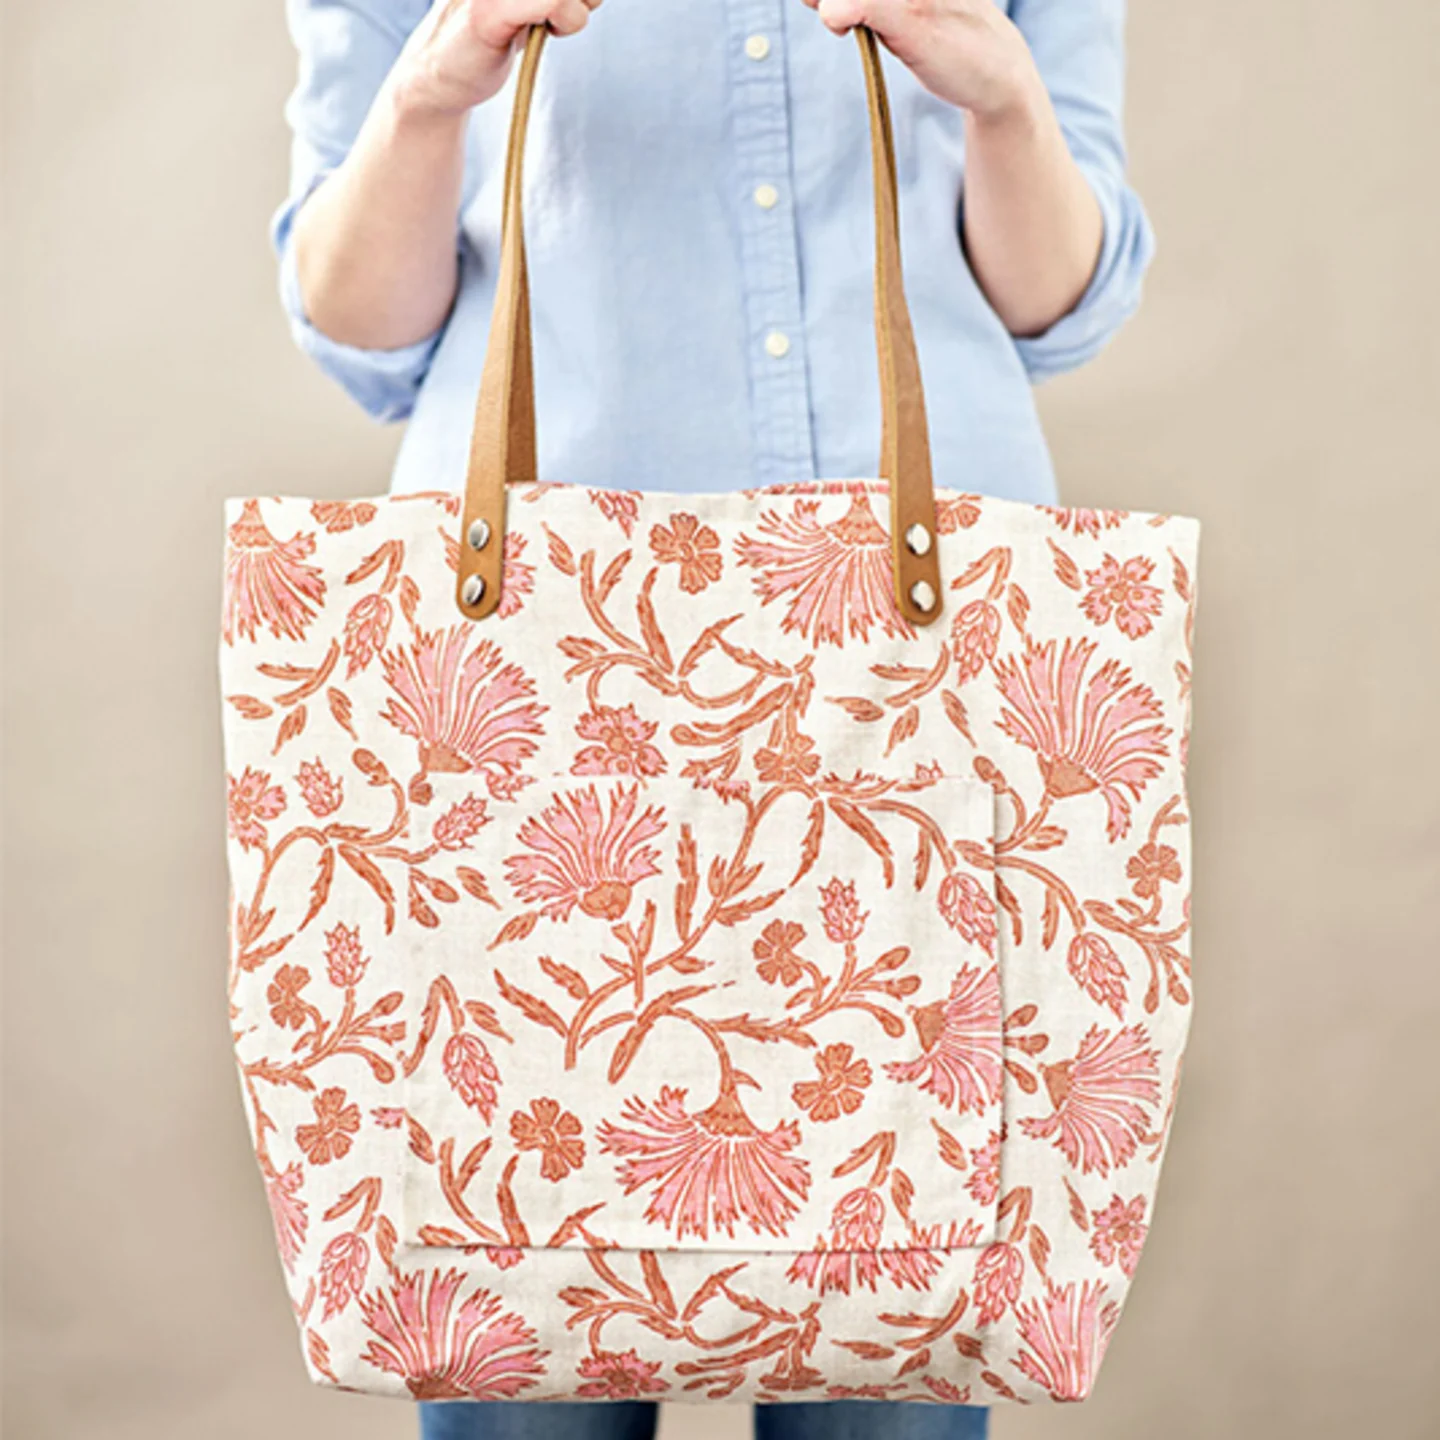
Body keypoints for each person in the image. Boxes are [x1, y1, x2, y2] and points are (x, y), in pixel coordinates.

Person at [268, 0, 1154, 1435]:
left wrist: (1000, 95)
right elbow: (359, 329)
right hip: (535, 728)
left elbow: (1063, 303)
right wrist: (439, 82)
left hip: (912, 710)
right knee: (520, 1365)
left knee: (899, 1367)